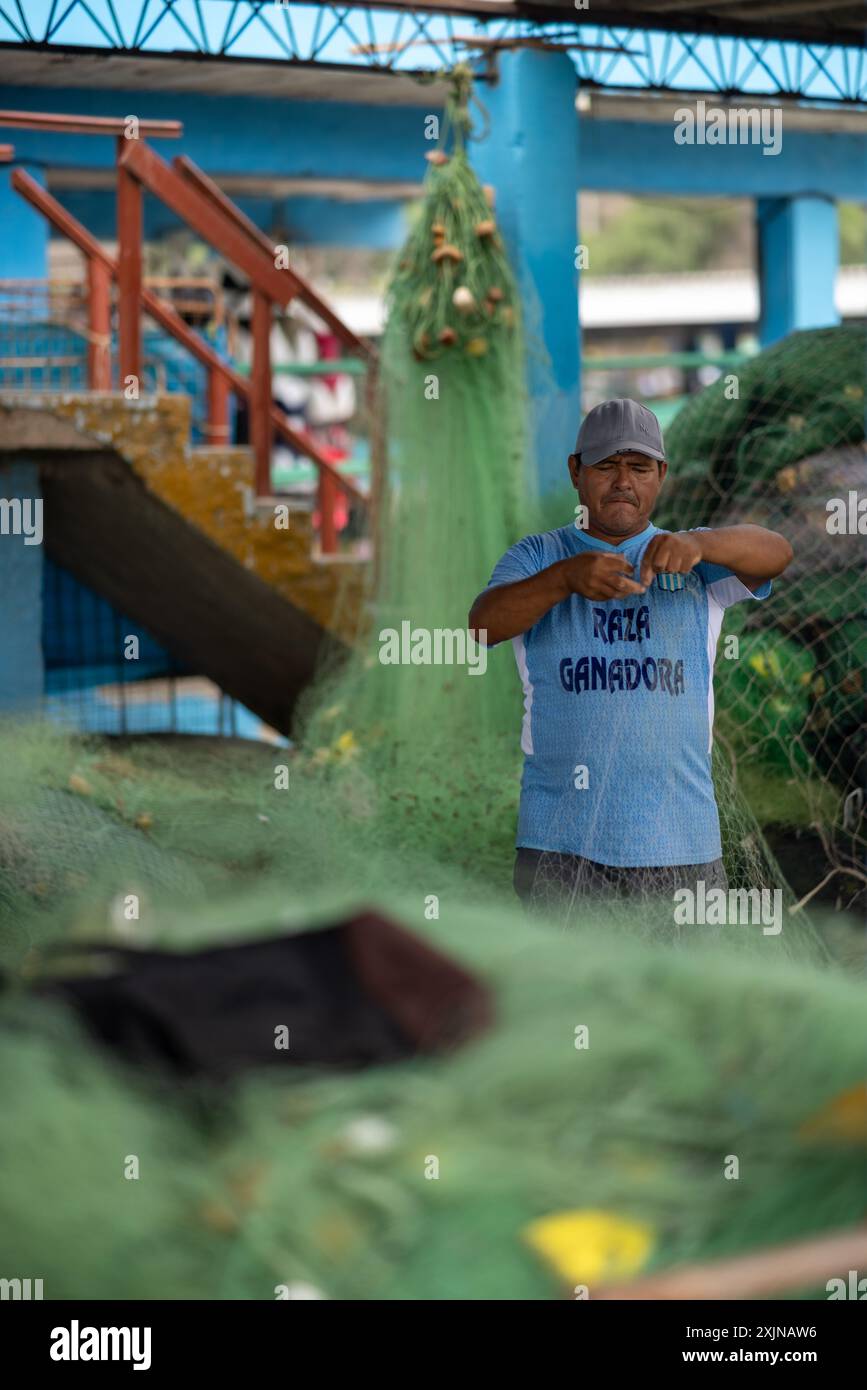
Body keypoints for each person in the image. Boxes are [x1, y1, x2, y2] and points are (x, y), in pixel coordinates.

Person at [468, 398, 794, 911]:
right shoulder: (537, 557)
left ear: (660, 475)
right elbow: (484, 625)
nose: (623, 482)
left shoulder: (692, 560)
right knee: (569, 989)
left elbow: (777, 551)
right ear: (577, 472)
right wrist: (566, 579)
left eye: (639, 468)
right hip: (559, 844)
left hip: (682, 843)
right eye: (607, 466)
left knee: (684, 992)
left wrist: (702, 544)